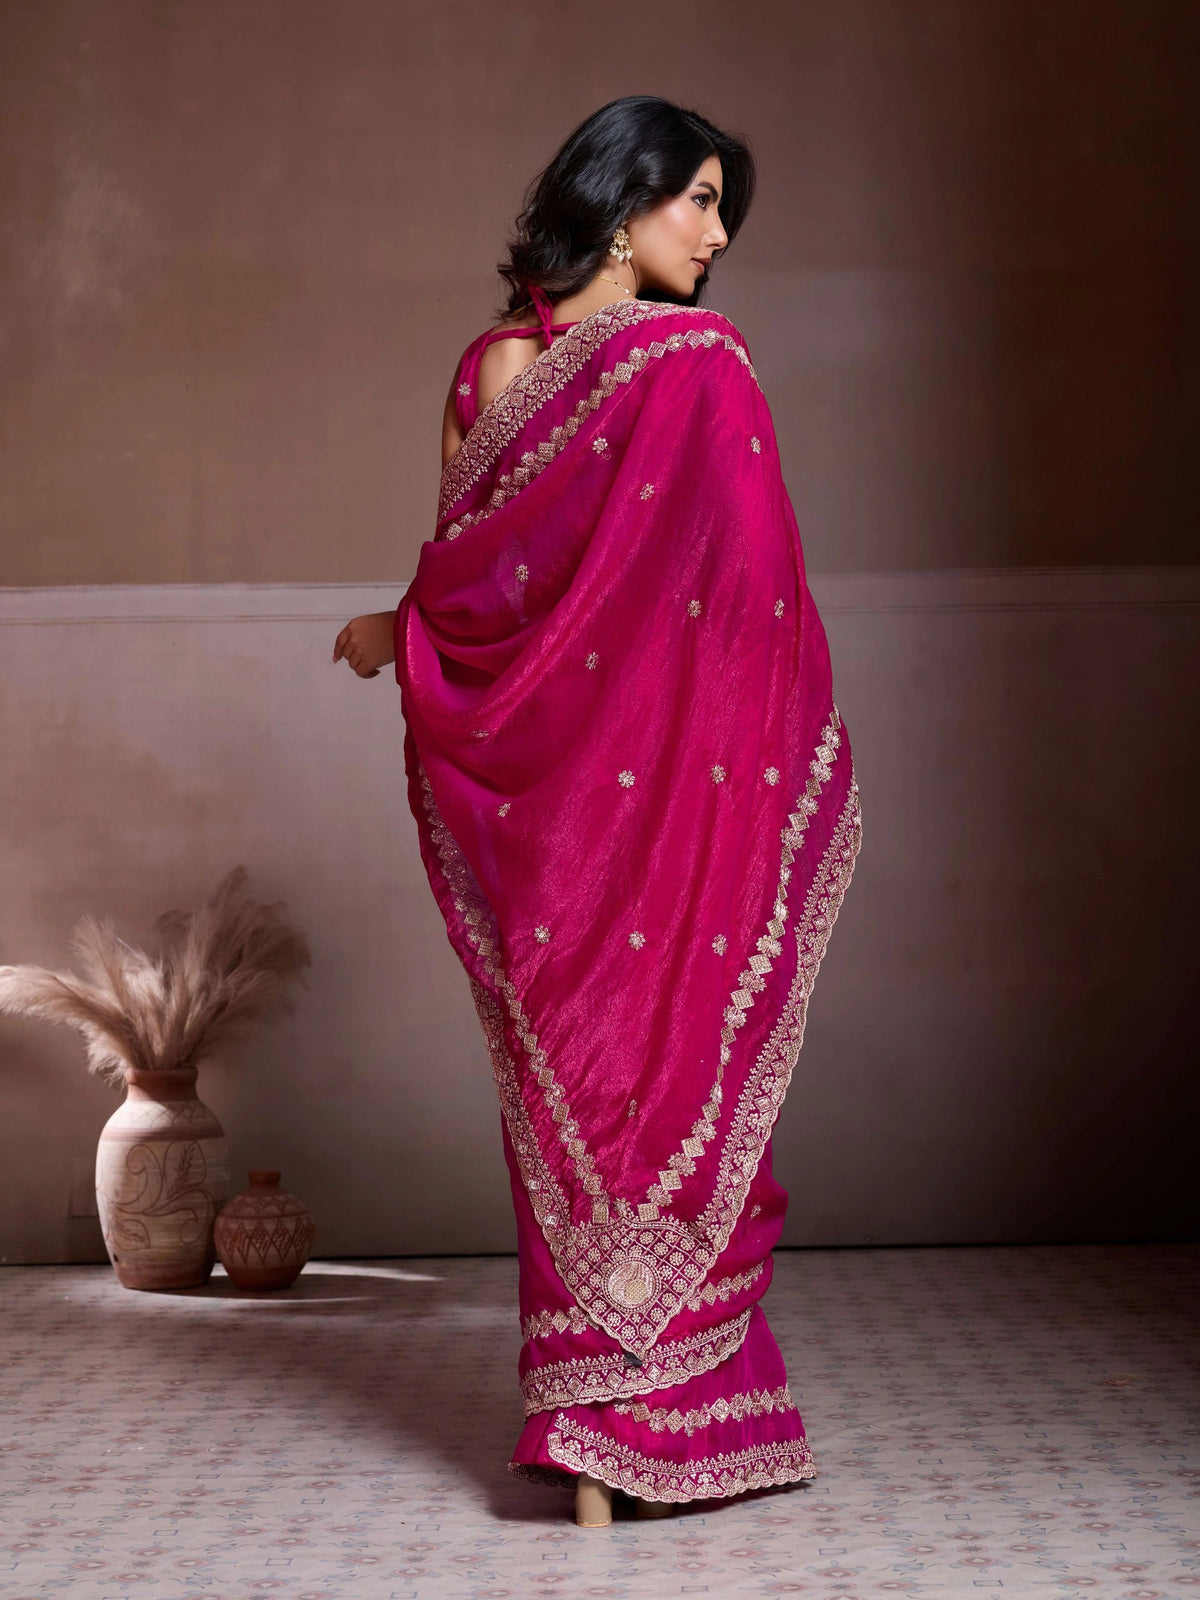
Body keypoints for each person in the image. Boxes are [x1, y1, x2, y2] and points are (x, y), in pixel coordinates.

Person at [333, 95, 861, 1526]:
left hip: (675, 804)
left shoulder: (690, 366)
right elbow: (480, 575)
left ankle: (662, 1428)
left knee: (668, 1080)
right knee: (580, 1092)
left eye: (722, 208)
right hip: (556, 813)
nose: (719, 233)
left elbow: (732, 593)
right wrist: (407, 623)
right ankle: (601, 1431)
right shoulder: (503, 367)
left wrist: (405, 627)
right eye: (700, 199)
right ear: (622, 204)